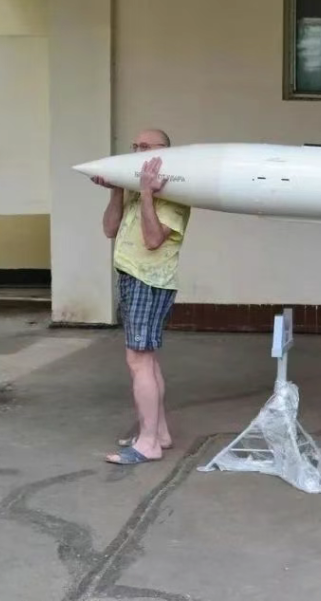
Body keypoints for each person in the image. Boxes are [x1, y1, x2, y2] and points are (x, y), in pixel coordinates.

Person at [90, 128, 192, 465]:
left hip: (150, 281)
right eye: (134, 146)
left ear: (164, 152)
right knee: (145, 358)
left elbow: (152, 240)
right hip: (131, 278)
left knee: (139, 360)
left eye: (145, 147)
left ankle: (148, 443)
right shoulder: (136, 189)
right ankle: (159, 434)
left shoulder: (174, 193)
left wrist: (147, 194)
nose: (136, 151)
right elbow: (109, 229)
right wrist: (118, 189)